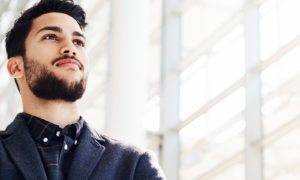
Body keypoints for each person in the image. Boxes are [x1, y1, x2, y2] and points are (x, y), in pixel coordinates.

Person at [0, 0, 166, 179]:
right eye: (51, 37)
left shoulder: (134, 164)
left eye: (78, 42)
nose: (70, 48)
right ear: (16, 67)